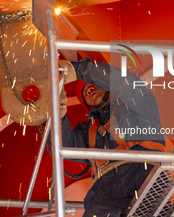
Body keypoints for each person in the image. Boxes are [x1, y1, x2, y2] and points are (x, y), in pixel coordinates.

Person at [59, 57, 166, 217]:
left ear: (110, 87)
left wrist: (79, 70)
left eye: (93, 84)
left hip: (148, 197)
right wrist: (56, 111)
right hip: (106, 205)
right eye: (84, 92)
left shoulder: (140, 110)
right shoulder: (89, 133)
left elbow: (127, 84)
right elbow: (63, 145)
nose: (88, 90)